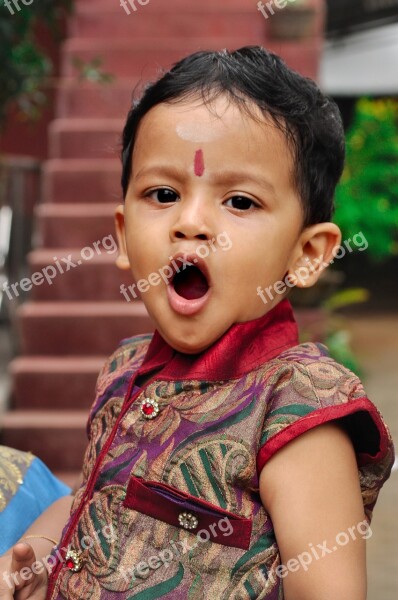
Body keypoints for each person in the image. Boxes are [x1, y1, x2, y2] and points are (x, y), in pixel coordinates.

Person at [0, 46, 395, 600]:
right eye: (163, 195)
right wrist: (35, 560)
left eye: (239, 201)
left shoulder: (296, 407)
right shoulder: (124, 369)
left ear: (307, 253)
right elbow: (90, 502)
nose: (191, 223)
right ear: (121, 234)